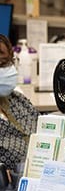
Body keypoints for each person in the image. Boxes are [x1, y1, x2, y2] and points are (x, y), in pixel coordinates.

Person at [0, 34, 39, 175]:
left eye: (10, 62)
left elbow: (44, 128)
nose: (10, 69)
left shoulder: (18, 99)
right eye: (2, 64)